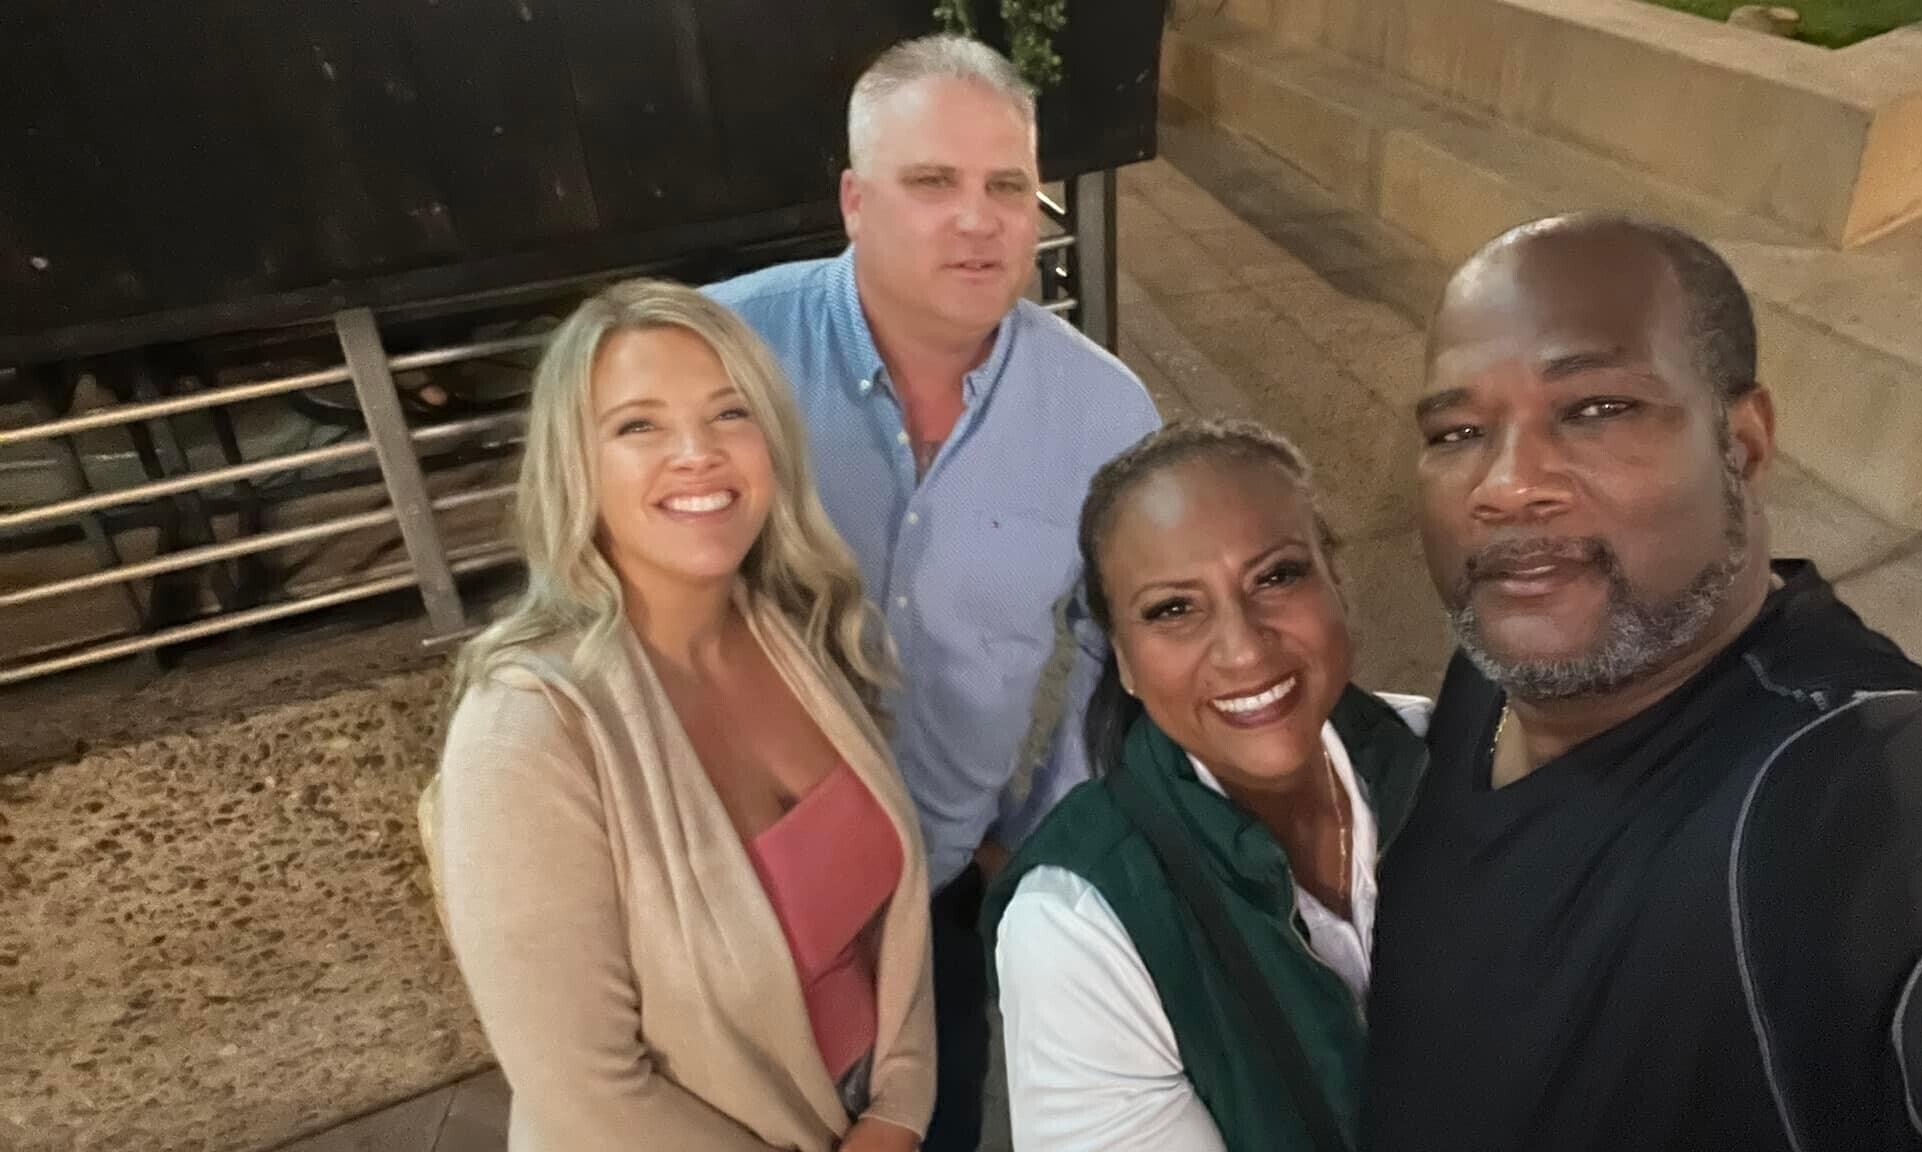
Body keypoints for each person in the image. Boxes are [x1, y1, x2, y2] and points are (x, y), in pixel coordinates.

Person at [1364, 214, 1922, 1151]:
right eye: (1458, 431)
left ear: (1744, 442)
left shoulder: (1870, 785)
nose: (1507, 485)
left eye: (1597, 409)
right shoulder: (1512, 650)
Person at [703, 33, 1161, 1148]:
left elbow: (1120, 653)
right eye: (932, 182)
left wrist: (1041, 839)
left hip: (937, 894)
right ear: (854, 201)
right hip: (723, 900)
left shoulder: (1102, 412)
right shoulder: (719, 355)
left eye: (1007, 185)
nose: (978, 219)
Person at [425, 281, 934, 1152]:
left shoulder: (791, 629)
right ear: (575, 465)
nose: (698, 453)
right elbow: (586, 1090)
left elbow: (895, 920)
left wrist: (899, 1108)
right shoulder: (524, 731)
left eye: (730, 413)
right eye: (639, 425)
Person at [981, 419, 1433, 1152]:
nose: (1243, 648)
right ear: (1124, 661)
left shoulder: (1445, 760)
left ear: (1336, 581)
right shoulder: (1076, 924)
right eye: (1173, 609)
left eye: (1277, 576)